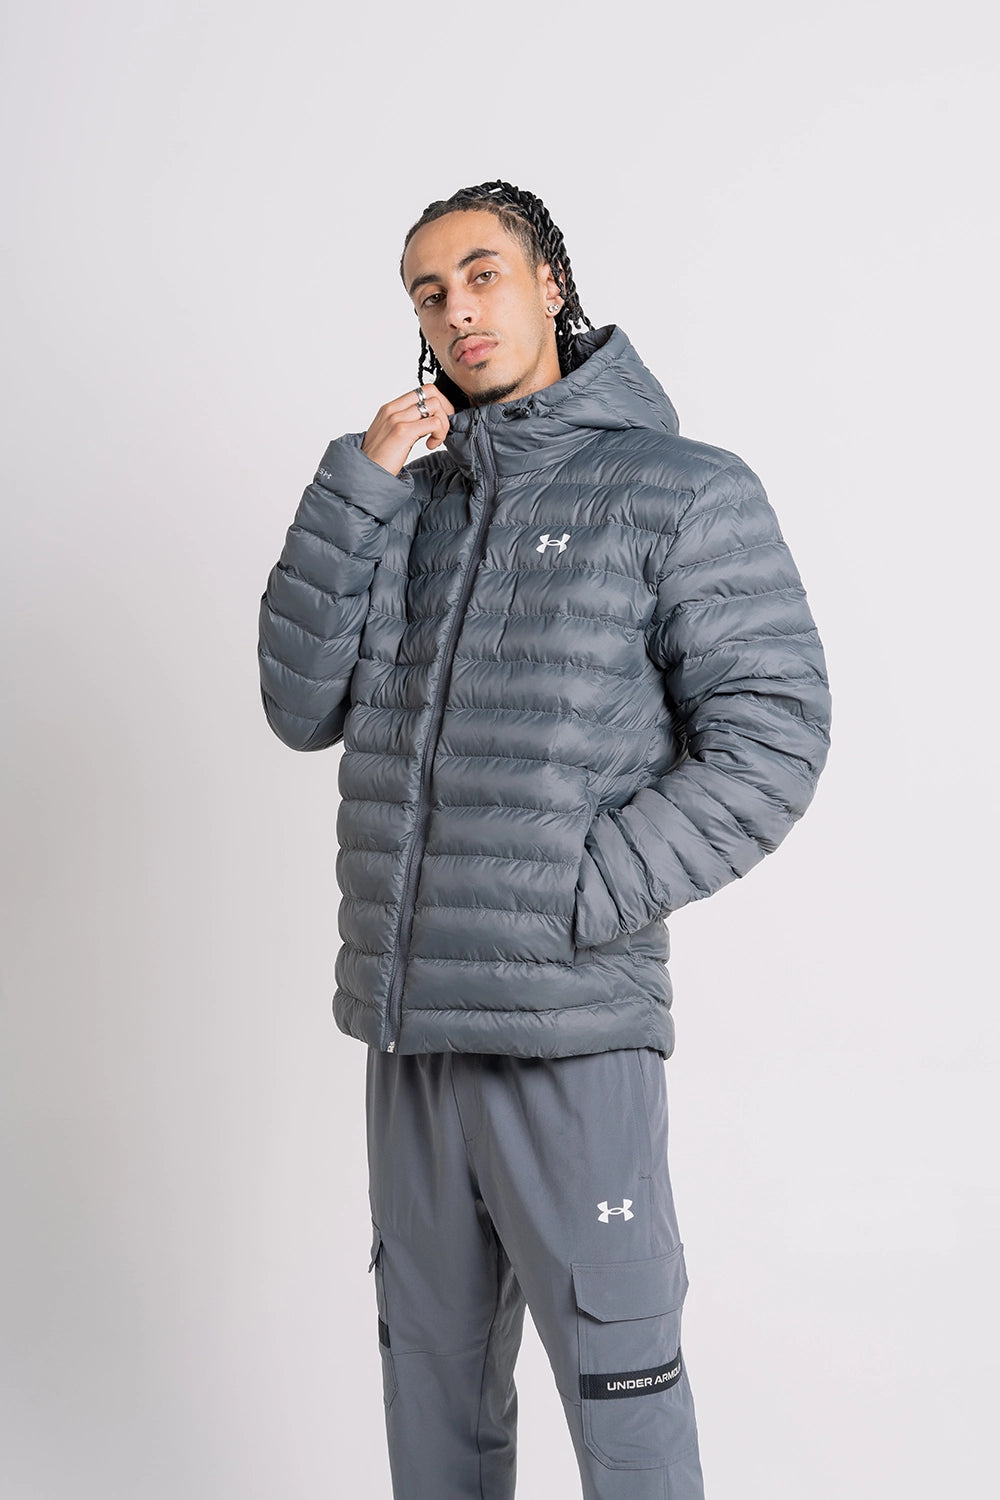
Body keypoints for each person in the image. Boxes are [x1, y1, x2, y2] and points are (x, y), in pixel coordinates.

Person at [258, 180, 831, 1500]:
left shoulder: (681, 491)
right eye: (429, 292)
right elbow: (300, 705)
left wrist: (578, 897)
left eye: (484, 275)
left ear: (550, 283)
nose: (458, 310)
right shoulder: (409, 503)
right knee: (433, 1402)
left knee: (623, 1404)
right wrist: (356, 486)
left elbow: (774, 733)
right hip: (411, 1038)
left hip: (570, 1036)